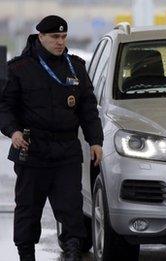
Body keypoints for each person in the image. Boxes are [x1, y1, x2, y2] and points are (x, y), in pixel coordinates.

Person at [0, 15, 103, 261]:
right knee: (28, 208)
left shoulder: (75, 66)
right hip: (32, 149)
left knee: (71, 207)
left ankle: (72, 252)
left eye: (64, 37)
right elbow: (5, 107)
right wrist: (13, 131)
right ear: (41, 37)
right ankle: (26, 254)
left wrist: (95, 141)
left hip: (67, 150)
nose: (60, 42)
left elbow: (88, 108)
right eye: (55, 37)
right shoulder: (20, 68)